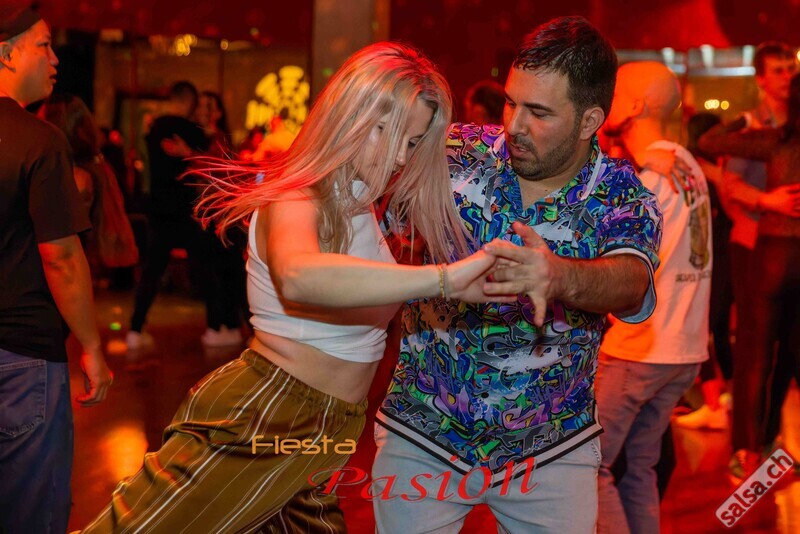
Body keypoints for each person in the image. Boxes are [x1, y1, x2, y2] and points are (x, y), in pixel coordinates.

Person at [82, 42, 507, 533]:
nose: (400, 157)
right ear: (354, 117)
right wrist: (444, 281)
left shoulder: (357, 198)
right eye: (393, 136)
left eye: (412, 144)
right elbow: (299, 275)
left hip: (328, 429)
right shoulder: (297, 194)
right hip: (269, 416)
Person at [373, 17, 662, 533]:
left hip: (551, 449)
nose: (514, 124)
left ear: (590, 120)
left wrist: (559, 276)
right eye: (511, 103)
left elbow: (631, 280)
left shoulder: (622, 195)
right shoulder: (454, 154)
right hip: (423, 429)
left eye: (539, 112)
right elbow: (362, 180)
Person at [0, 3, 112, 532]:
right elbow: (61, 257)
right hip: (21, 359)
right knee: (30, 512)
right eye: (43, 45)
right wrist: (91, 346)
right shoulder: (39, 141)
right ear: (6, 53)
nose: (55, 58)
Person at [596, 61, 712, 534]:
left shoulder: (650, 179)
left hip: (640, 349)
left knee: (588, 467)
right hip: (683, 348)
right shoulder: (686, 166)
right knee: (640, 467)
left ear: (635, 105)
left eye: (614, 93)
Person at [699, 72, 800, 479]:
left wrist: (742, 120)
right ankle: (769, 442)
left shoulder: (776, 140)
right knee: (788, 357)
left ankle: (747, 451)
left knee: (755, 354)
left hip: (774, 251)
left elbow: (709, 142)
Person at [126, 81, 214, 349]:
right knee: (205, 267)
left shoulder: (155, 127)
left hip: (159, 209)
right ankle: (217, 326)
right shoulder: (191, 131)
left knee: (152, 271)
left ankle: (135, 328)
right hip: (184, 209)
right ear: (190, 101)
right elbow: (208, 161)